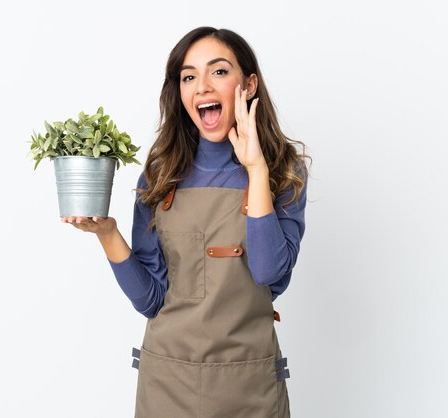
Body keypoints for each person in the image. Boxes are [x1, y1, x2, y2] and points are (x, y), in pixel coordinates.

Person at [61, 26, 309, 418]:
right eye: (189, 77)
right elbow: (151, 300)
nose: (202, 87)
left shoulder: (283, 171)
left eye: (219, 72)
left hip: (251, 389)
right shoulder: (162, 173)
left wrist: (256, 170)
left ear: (249, 83)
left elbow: (269, 274)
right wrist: (107, 233)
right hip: (167, 386)